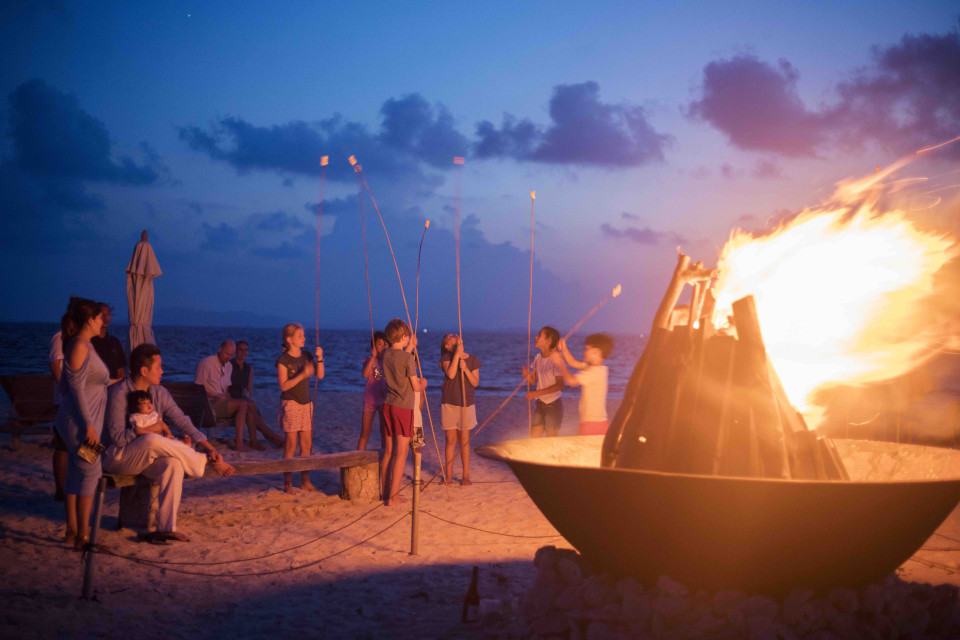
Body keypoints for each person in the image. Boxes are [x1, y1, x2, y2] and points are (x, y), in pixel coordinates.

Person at [103, 344, 234, 542]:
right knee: (152, 438)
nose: (162, 371)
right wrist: (145, 431)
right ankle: (201, 461)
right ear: (144, 370)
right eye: (159, 367)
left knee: (173, 464)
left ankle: (166, 528)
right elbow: (118, 438)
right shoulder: (119, 393)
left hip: (147, 457)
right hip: (118, 457)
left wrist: (211, 449)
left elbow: (183, 421)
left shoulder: (159, 393)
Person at [54, 297, 109, 550]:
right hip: (80, 423)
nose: (104, 321)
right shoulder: (78, 345)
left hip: (88, 422)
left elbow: (84, 383)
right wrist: (88, 425)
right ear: (90, 320)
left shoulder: (87, 344)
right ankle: (83, 536)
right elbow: (74, 389)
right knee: (91, 471)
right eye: (100, 318)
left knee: (79, 472)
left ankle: (73, 531)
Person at [380, 318, 424, 506]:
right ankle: (394, 496)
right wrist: (424, 384)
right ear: (404, 336)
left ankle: (385, 492)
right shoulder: (408, 358)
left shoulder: (386, 354)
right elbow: (415, 385)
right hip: (403, 408)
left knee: (389, 451)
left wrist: (409, 347)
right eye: (407, 336)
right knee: (401, 453)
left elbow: (399, 361)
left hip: (388, 405)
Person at [275, 323, 324, 493]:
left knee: (307, 444)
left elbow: (320, 375)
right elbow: (283, 385)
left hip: (306, 403)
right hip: (290, 403)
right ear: (290, 340)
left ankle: (305, 481)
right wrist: (302, 375)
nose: (304, 338)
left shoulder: (307, 355)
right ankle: (288, 483)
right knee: (291, 445)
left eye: (304, 335)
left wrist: (320, 358)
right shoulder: (283, 360)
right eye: (300, 336)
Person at [195, 340, 264, 451]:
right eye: (226, 354)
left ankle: (253, 441)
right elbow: (197, 389)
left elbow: (226, 388)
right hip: (209, 404)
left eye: (231, 355)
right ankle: (240, 443)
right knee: (243, 404)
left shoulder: (228, 366)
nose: (228, 357)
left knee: (249, 404)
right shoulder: (206, 363)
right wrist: (216, 395)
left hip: (222, 403)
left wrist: (227, 396)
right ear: (220, 349)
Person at [550, 334, 613, 435]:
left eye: (587, 349)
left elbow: (571, 381)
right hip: (598, 423)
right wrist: (564, 349)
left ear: (596, 351)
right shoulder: (597, 368)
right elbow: (572, 362)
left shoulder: (595, 372)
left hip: (592, 424)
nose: (584, 352)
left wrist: (560, 364)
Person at [439, 334, 480, 485]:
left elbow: (475, 383)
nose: (453, 335)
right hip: (449, 402)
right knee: (451, 440)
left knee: (464, 441)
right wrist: (456, 356)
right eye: (449, 337)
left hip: (466, 403)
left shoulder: (473, 359)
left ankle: (466, 476)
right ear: (447, 346)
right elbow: (450, 374)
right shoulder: (446, 357)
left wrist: (466, 369)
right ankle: (448, 476)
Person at [228, 340, 284, 448]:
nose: (243, 352)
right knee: (258, 421)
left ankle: (276, 441)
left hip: (245, 400)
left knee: (259, 421)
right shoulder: (229, 366)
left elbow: (249, 390)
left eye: (246, 350)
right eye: (240, 349)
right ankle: (278, 440)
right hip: (233, 400)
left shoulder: (249, 369)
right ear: (235, 351)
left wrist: (247, 398)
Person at [522, 326, 565, 437]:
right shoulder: (538, 358)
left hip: (553, 405)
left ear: (548, 341)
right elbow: (533, 381)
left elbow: (560, 385)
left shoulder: (556, 359)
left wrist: (536, 393)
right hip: (540, 403)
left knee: (551, 439)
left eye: (540, 335)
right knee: (534, 436)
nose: (536, 337)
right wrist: (527, 376)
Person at [359, 331, 388, 451]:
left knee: (384, 433)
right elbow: (365, 375)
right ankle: (358, 458)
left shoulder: (388, 361)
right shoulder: (369, 359)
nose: (383, 346)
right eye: (380, 344)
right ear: (374, 346)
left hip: (384, 400)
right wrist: (373, 357)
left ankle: (383, 459)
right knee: (365, 431)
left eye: (385, 344)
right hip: (370, 400)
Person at [48, 329, 67, 502]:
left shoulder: (85, 340)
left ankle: (84, 481)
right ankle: (60, 489)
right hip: (66, 401)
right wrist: (67, 389)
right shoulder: (61, 337)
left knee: (88, 442)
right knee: (62, 445)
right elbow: (54, 364)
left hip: (86, 401)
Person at [90, 302, 126, 383]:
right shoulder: (89, 342)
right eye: (102, 314)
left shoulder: (114, 342)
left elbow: (120, 370)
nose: (106, 317)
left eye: (108, 314)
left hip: (113, 387)